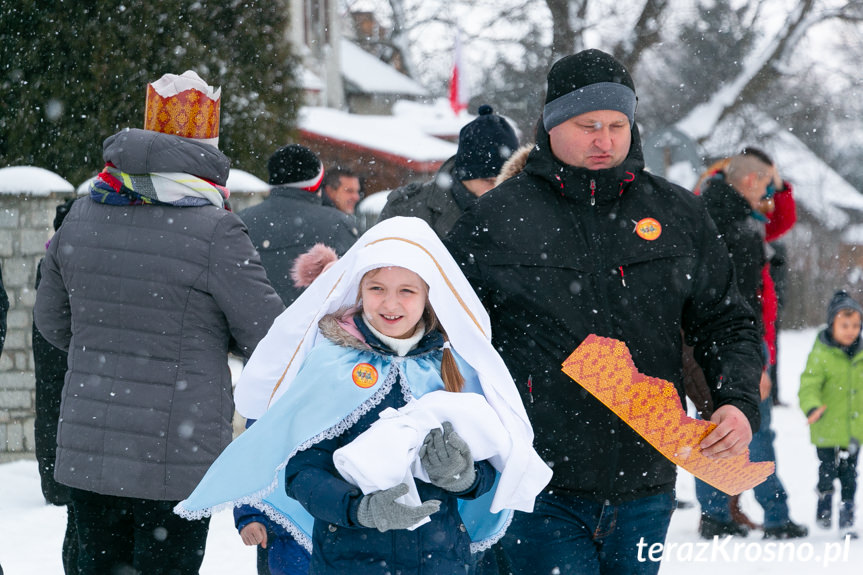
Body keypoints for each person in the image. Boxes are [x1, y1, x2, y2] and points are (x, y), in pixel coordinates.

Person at [445, 48, 763, 574]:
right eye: (588, 125)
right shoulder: (496, 219)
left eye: (618, 124)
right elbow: (444, 333)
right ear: (551, 125)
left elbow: (726, 322)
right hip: (537, 484)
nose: (605, 140)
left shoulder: (678, 213)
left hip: (648, 483)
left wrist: (736, 401)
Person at [175, 216, 552, 575]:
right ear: (359, 289)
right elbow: (301, 469)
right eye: (377, 289)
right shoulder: (329, 365)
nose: (390, 304)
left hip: (440, 557)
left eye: (407, 291)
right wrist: (358, 508)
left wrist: (464, 477)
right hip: (348, 557)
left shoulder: (455, 368)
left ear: (428, 297)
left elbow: (491, 459)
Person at [33, 70, 285, 575]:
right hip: (176, 456)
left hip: (89, 449)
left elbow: (52, 323)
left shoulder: (82, 214)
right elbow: (267, 335)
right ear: (207, 149)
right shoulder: (216, 229)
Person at [692, 148, 807, 540]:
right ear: (749, 181)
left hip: (708, 342)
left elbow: (781, 221)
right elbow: (740, 300)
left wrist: (777, 180)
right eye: (767, 187)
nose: (769, 198)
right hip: (738, 342)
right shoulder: (738, 225)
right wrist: (756, 363)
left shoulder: (714, 209)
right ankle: (775, 515)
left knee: (714, 427)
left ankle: (715, 515)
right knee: (755, 429)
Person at [239, 145, 358, 307]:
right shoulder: (338, 224)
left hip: (250, 325)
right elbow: (353, 289)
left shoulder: (241, 220)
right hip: (311, 329)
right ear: (317, 183)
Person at [379, 104, 518, 239]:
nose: (496, 189)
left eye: (504, 181)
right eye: (488, 180)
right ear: (464, 175)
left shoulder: (526, 210)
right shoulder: (406, 211)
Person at [33, 198, 79, 574]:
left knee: (50, 416)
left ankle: (53, 483)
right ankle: (57, 483)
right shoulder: (82, 260)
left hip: (52, 357)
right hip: (69, 357)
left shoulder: (48, 260)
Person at [799, 290, 863, 539]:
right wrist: (812, 406)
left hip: (853, 428)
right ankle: (824, 499)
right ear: (831, 324)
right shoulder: (821, 354)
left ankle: (847, 516)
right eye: (844, 325)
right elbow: (809, 384)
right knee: (827, 470)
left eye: (856, 325)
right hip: (826, 425)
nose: (851, 330)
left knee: (850, 474)